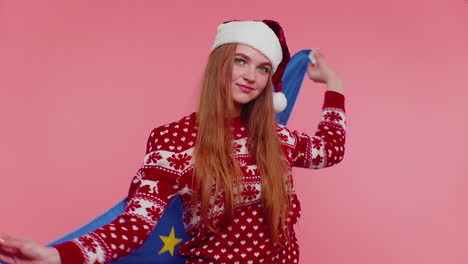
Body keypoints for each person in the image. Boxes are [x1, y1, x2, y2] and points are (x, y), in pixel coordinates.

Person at [0, 19, 346, 264]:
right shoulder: (174, 142)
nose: (250, 76)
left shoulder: (276, 138)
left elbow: (329, 150)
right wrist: (59, 256)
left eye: (262, 68)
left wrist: (334, 84)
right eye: (240, 60)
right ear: (219, 64)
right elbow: (134, 224)